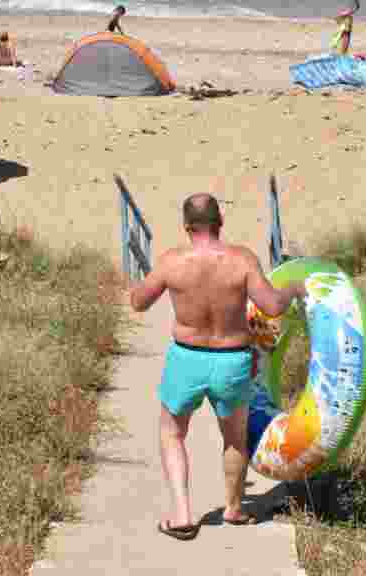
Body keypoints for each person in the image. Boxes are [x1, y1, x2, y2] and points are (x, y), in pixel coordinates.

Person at [128, 193, 306, 541]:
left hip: (186, 358)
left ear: (186, 226)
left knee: (172, 433)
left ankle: (182, 515)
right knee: (234, 438)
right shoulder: (241, 260)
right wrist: (293, 288)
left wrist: (146, 284)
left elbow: (138, 302)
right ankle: (234, 508)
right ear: (220, 221)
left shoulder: (172, 262)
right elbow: (271, 305)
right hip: (232, 360)